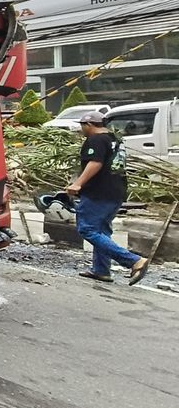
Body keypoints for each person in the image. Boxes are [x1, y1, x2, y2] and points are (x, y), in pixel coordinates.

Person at [66, 111, 149, 285]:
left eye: (82, 126)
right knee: (102, 231)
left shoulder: (95, 140)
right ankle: (101, 270)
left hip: (98, 193)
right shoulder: (114, 139)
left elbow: (95, 163)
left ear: (89, 125)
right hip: (116, 192)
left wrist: (78, 184)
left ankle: (134, 260)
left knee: (87, 229)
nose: (81, 129)